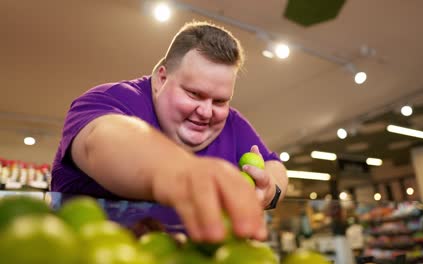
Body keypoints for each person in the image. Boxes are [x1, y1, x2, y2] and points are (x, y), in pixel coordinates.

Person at [51, 21, 288, 242]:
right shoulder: (110, 99)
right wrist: (182, 172)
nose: (206, 112)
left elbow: (274, 166)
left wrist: (270, 191)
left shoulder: (232, 123)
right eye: (194, 94)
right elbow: (101, 139)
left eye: (219, 101)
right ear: (161, 79)